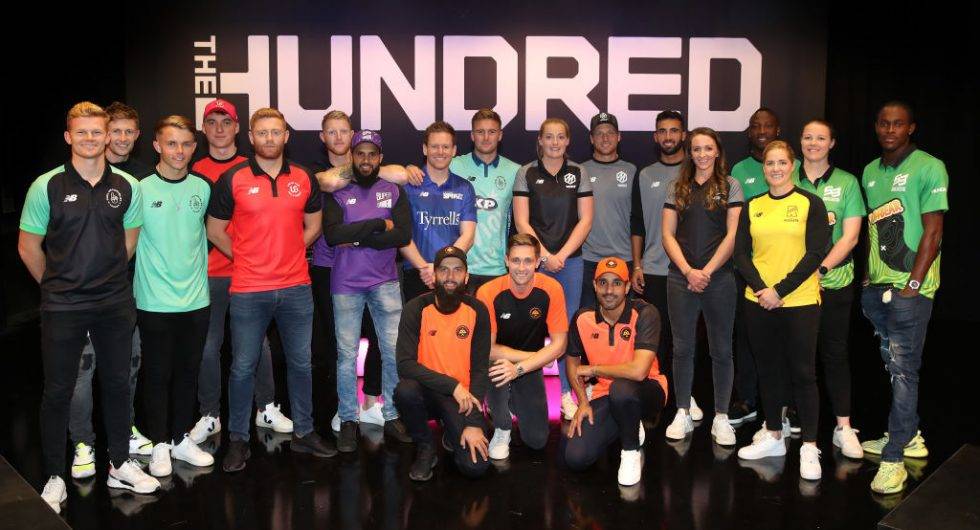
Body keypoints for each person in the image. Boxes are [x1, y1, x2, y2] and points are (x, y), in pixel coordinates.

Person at [19, 102, 160, 513]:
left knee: (117, 384)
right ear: (68, 137)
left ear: (108, 135)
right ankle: (54, 476)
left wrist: (104, 278)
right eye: (81, 132)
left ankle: (119, 463)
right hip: (62, 306)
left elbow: (129, 241)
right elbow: (28, 247)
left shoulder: (127, 186)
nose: (90, 139)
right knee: (58, 391)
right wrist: (57, 285)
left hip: (114, 302)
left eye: (97, 132)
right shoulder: (45, 185)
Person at [207, 107, 337, 472]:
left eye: (275, 132)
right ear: (251, 137)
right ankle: (238, 440)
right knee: (242, 366)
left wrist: (292, 251)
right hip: (249, 288)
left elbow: (315, 225)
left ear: (286, 136)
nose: (269, 138)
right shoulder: (233, 178)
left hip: (296, 287)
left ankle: (305, 432)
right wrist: (246, 257)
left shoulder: (303, 177)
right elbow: (214, 230)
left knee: (301, 363)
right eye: (262, 132)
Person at [309, 110, 420, 432]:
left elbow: (402, 235)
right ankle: (347, 416)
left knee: (390, 350)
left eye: (372, 154)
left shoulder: (392, 189)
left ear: (379, 157)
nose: (366, 159)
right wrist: (378, 225)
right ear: (352, 156)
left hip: (384, 281)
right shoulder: (335, 188)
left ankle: (387, 411)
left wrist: (357, 237)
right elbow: (333, 235)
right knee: (344, 354)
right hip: (343, 281)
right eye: (361, 153)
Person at [189, 98, 291, 444]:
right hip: (209, 275)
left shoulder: (254, 168)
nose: (219, 129)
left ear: (237, 129)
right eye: (212, 122)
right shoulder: (193, 170)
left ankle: (266, 407)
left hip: (251, 277)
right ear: (204, 129)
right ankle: (210, 414)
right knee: (208, 346)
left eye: (226, 122)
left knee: (258, 344)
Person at [859, 101, 947, 494]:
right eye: (883, 123)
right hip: (878, 288)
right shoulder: (870, 172)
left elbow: (934, 231)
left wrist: (913, 284)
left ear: (911, 128)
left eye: (898, 124)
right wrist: (867, 278)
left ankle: (894, 458)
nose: (889, 130)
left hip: (911, 289)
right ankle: (908, 436)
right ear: (876, 126)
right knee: (893, 366)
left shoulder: (929, 167)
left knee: (904, 371)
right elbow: (871, 229)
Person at [734, 140, 830, 481]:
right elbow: (741, 254)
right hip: (758, 300)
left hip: (799, 301)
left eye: (781, 162)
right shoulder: (753, 205)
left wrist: (780, 291)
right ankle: (774, 434)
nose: (775, 168)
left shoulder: (810, 203)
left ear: (793, 166)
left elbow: (815, 254)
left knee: (803, 373)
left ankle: (809, 446)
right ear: (764, 168)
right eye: (769, 163)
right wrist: (763, 289)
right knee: (768, 369)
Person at [68, 102, 153, 478]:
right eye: (114, 130)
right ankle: (83, 441)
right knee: (82, 369)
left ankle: (124, 431)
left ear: (137, 136)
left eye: (127, 131)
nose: (121, 138)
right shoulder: (80, 176)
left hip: (127, 291)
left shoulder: (144, 177)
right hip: (83, 293)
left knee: (128, 366)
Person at [134, 116, 215, 476]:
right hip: (153, 302)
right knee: (157, 374)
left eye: (185, 144)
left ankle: (181, 439)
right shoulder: (139, 189)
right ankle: (159, 444)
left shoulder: (203, 187)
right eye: (171, 143)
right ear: (157, 146)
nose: (178, 151)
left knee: (187, 372)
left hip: (196, 301)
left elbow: (209, 235)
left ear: (194, 147)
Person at [660, 127, 743, 447]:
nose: (702, 154)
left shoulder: (730, 185)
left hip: (718, 278)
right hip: (680, 278)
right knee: (682, 348)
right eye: (696, 149)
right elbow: (667, 235)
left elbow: (733, 235)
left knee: (721, 349)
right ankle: (682, 411)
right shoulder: (676, 186)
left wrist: (705, 272)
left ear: (717, 151)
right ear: (689, 152)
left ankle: (721, 416)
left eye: (708, 148)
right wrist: (688, 271)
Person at [793, 119, 865, 459]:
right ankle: (783, 422)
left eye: (820, 138)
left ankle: (843, 427)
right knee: (795, 356)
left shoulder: (847, 182)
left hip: (833, 283)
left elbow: (850, 237)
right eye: (808, 137)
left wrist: (819, 270)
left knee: (834, 355)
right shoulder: (787, 175)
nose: (813, 143)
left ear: (832, 143)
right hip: (792, 289)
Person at [514, 118, 594, 420]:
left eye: (560, 137)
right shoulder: (526, 172)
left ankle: (565, 393)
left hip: (570, 262)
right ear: (540, 140)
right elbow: (522, 221)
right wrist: (545, 256)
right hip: (535, 263)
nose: (555, 142)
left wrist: (561, 255)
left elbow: (585, 220)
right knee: (529, 325)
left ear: (568, 141)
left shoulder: (579, 172)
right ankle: (524, 394)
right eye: (549, 137)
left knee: (566, 329)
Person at [564, 257, 668, 487]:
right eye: (603, 283)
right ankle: (628, 421)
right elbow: (572, 363)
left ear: (627, 286)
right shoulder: (582, 318)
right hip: (605, 394)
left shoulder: (646, 313)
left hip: (648, 390)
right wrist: (582, 401)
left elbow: (639, 371)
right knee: (576, 457)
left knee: (622, 389)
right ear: (594, 285)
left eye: (617, 283)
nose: (609, 290)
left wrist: (594, 369)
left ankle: (630, 452)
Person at [395, 246, 492, 481]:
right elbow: (405, 364)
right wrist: (452, 385)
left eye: (458, 270)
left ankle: (452, 429)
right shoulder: (415, 308)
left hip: (462, 399)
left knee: (475, 467)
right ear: (435, 275)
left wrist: (473, 422)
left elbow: (480, 369)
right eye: (444, 270)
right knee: (405, 391)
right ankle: (426, 446)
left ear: (466, 277)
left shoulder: (477, 310)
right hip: (427, 392)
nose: (450, 276)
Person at [728, 107, 799, 427]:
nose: (761, 131)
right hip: (748, 269)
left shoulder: (792, 167)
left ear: (777, 130)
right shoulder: (738, 169)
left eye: (767, 126)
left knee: (787, 343)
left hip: (786, 270)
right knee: (746, 339)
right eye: (755, 126)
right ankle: (747, 400)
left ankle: (787, 405)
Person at [476, 234, 567, 459]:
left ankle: (512, 402)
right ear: (506, 260)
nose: (521, 267)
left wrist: (520, 367)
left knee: (537, 440)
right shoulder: (487, 292)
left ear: (537, 263)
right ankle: (502, 425)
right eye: (516, 260)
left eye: (528, 261)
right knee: (496, 365)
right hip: (498, 363)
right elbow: (488, 349)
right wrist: (539, 356)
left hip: (528, 367)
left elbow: (560, 345)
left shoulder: (552, 289)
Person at [631, 110, 686, 366]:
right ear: (655, 137)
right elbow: (637, 224)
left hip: (689, 271)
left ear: (683, 135)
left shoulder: (696, 171)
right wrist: (637, 265)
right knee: (656, 341)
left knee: (685, 340)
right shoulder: (645, 174)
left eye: (674, 130)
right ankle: (658, 388)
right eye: (662, 131)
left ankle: (684, 390)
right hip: (654, 269)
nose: (668, 136)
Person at [399, 121, 477, 301]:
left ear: (454, 150)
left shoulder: (465, 187)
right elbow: (402, 236)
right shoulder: (408, 186)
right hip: (418, 273)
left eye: (446, 147)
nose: (440, 152)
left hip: (452, 274)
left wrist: (443, 267)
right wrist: (424, 268)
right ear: (425, 149)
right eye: (434, 146)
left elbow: (468, 235)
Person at [449, 108, 521, 294]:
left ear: (500, 135)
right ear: (472, 135)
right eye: (480, 132)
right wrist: (411, 169)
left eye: (492, 131)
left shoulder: (515, 171)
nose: (486, 137)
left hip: (497, 267)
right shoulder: (453, 165)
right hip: (460, 265)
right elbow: (419, 178)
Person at [580, 112, 636, 309]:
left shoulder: (632, 171)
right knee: (587, 317)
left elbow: (639, 220)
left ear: (619, 136)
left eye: (610, 133)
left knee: (623, 320)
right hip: (588, 259)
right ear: (591, 138)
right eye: (599, 133)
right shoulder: (580, 171)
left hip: (624, 258)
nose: (605, 138)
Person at [104, 101, 154, 179]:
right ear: (105, 134)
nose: (123, 139)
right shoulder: (91, 170)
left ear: (136, 135)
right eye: (116, 131)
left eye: (129, 131)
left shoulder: (145, 175)